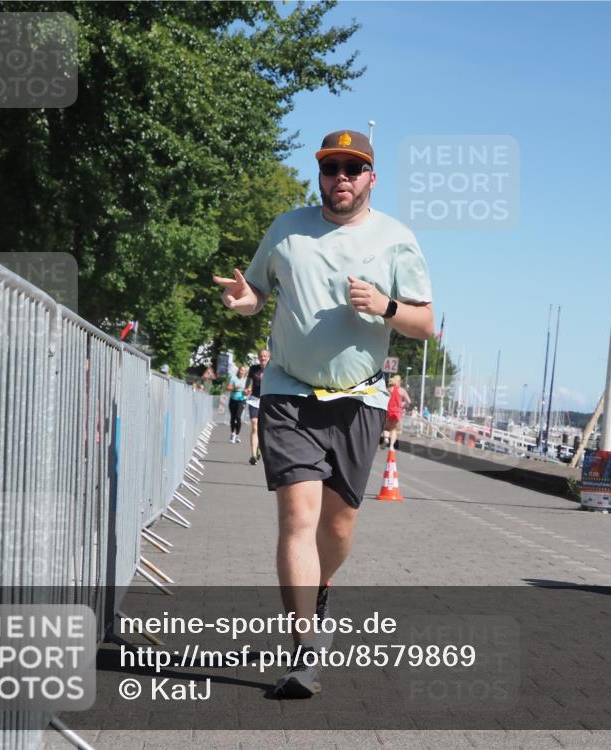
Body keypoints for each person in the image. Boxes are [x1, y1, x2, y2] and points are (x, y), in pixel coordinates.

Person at [214, 129, 433, 698]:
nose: (341, 177)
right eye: (331, 167)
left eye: (352, 168)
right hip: (289, 393)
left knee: (337, 526)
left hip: (358, 399)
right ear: (319, 174)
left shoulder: (396, 239)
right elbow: (257, 292)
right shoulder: (287, 228)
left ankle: (324, 584)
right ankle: (305, 651)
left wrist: (385, 307)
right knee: (297, 519)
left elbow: (427, 321)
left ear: (370, 178)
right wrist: (244, 301)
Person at [245, 349, 270, 465]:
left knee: (264, 428)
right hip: (254, 400)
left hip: (267, 400)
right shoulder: (254, 369)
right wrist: (247, 389)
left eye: (265, 356)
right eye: (261, 356)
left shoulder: (272, 369)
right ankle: (253, 455)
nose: (263, 358)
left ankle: (260, 446)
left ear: (269, 357)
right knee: (255, 426)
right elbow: (249, 382)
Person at [381, 375, 411, 449]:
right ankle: (391, 446)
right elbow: (409, 401)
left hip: (389, 411)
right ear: (399, 382)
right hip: (397, 412)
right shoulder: (402, 390)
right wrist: (404, 406)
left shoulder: (389, 389)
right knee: (393, 429)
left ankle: (386, 439)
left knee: (386, 428)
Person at [226, 365, 248, 443]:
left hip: (242, 400)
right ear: (238, 371)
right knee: (233, 417)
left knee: (238, 417)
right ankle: (232, 434)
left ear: (245, 372)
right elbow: (228, 387)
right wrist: (235, 387)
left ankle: (237, 435)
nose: (242, 372)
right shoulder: (233, 378)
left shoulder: (246, 380)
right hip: (233, 399)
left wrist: (247, 391)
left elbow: (250, 389)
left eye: (243, 370)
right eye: (241, 370)